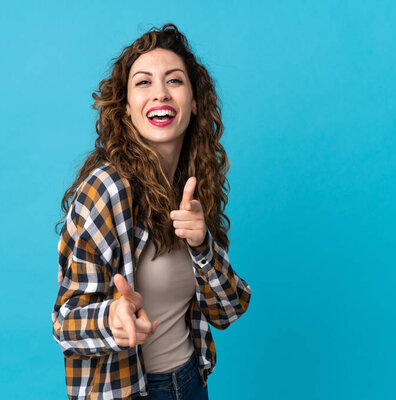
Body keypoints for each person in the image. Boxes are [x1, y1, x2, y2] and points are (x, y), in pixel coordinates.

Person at [52, 23, 251, 400]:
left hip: (192, 382)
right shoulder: (105, 190)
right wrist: (110, 318)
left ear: (194, 103)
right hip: (130, 391)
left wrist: (201, 244)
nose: (160, 92)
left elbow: (227, 311)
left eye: (174, 81)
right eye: (143, 82)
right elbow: (65, 323)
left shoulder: (193, 187)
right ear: (126, 109)